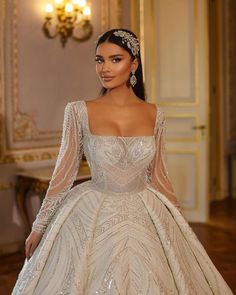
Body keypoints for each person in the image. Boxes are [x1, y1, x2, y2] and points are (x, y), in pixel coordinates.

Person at [12, 29, 233, 295]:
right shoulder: (78, 111)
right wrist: (39, 228)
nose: (104, 68)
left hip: (144, 210)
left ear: (134, 64)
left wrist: (179, 226)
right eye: (99, 60)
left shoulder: (155, 113)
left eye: (115, 59)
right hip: (92, 211)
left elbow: (159, 175)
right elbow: (64, 174)